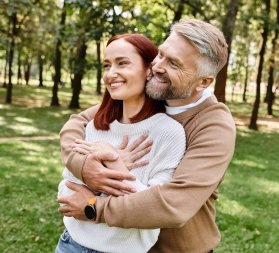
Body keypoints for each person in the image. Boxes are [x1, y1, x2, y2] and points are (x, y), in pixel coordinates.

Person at [58, 18, 236, 252]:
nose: (158, 67)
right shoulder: (156, 92)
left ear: (203, 82)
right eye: (161, 54)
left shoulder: (214, 125)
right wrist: (87, 167)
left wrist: (93, 207)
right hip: (123, 243)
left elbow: (173, 205)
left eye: (174, 63)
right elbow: (78, 123)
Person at [55, 33, 186, 253]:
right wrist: (97, 170)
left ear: (148, 69)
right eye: (107, 65)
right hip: (70, 245)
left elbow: (153, 209)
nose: (111, 74)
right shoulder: (95, 125)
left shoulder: (168, 133)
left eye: (122, 63)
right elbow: (66, 191)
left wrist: (113, 161)